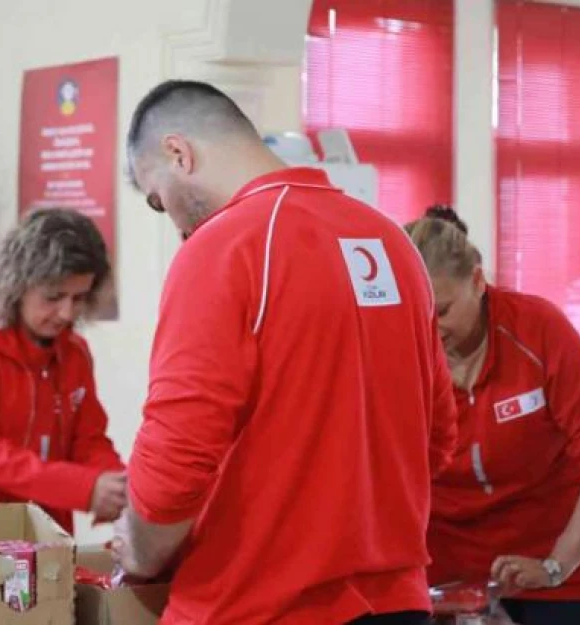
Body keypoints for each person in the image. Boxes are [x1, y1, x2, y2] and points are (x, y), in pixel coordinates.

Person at [113, 79, 458, 625]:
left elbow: (177, 457)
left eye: (159, 200)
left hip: (261, 605)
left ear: (179, 154)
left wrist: (138, 548)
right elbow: (437, 438)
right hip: (396, 606)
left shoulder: (223, 247)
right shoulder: (393, 244)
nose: (174, 222)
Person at [406, 206, 580, 625]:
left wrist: (555, 565)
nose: (429, 329)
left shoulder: (537, 330)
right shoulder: (398, 352)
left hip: (566, 570)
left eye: (441, 312)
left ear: (478, 282)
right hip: (451, 579)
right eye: (415, 314)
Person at [0, 207, 126, 540]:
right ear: (17, 285)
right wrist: (86, 488)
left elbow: (88, 440)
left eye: (79, 298)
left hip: (48, 542)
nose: (66, 312)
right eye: (53, 297)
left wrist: (118, 483)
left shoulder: (75, 353)